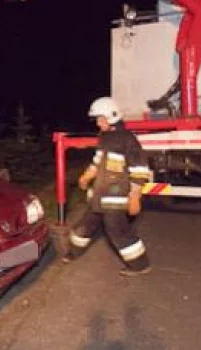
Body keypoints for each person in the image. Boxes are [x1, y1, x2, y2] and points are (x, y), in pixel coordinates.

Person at [63, 96, 154, 277]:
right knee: (85, 225)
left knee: (118, 230)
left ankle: (140, 265)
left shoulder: (127, 139)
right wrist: (86, 176)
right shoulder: (105, 137)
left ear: (111, 117)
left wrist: (135, 195)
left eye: (100, 119)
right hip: (100, 194)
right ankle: (73, 253)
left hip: (116, 196)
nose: (98, 123)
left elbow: (140, 168)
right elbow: (98, 162)